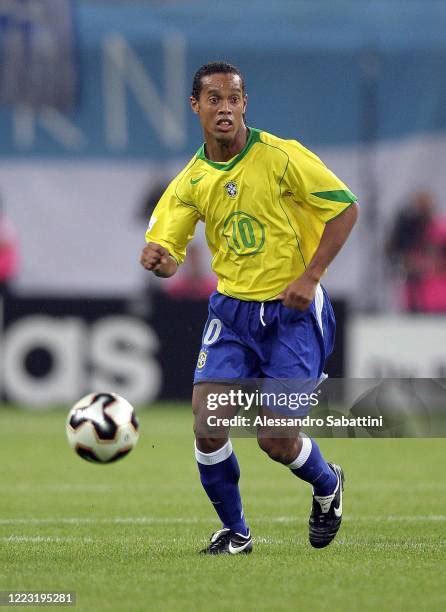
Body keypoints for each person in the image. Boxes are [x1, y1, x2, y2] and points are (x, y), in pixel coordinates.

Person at [140, 62, 358, 555]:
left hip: (292, 313)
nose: (225, 108)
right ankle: (236, 533)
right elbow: (168, 250)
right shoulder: (191, 180)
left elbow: (345, 208)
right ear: (195, 106)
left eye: (233, 98)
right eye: (213, 99)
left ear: (245, 104)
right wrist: (162, 259)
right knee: (207, 423)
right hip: (233, 314)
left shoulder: (282, 157)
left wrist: (311, 275)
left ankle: (327, 485)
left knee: (276, 440)